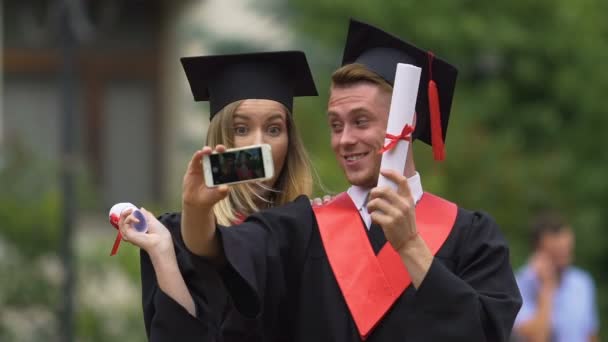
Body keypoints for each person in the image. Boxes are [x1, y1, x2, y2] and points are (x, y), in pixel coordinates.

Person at [168, 18, 522, 341]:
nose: (344, 140)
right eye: (336, 125)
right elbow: (215, 252)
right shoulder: (303, 228)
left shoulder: (472, 235)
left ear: (405, 122)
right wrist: (196, 210)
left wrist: (411, 246)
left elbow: (487, 332)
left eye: (361, 121)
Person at [118, 50, 319, 341]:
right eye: (241, 129)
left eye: (274, 129)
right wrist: (164, 254)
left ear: (290, 143)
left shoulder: (312, 231)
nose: (259, 144)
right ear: (220, 139)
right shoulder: (177, 237)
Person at [513, 211, 599, 342]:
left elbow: (590, 335)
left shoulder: (582, 282)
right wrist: (547, 287)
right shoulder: (518, 286)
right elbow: (537, 338)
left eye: (567, 248)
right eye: (556, 251)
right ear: (538, 250)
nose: (564, 252)